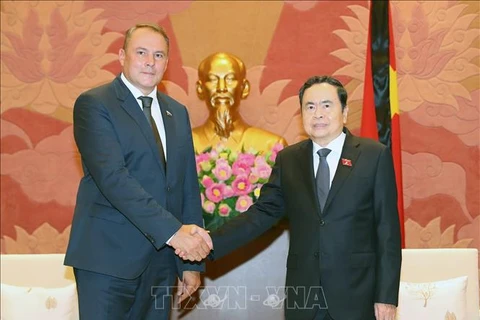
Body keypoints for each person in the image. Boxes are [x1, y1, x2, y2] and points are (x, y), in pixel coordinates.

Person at [187, 75, 402, 320]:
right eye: (310, 107)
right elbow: (262, 213)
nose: (317, 113)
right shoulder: (289, 160)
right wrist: (211, 242)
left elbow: (388, 232)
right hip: (304, 297)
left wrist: (386, 297)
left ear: (344, 112)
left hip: (356, 295)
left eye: (326, 105)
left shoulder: (373, 156)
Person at [64, 23, 212, 320]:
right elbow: (113, 179)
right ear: (122, 56)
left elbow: (185, 187)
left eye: (159, 55)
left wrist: (190, 265)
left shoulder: (177, 112)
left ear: (167, 63)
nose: (150, 61)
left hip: (161, 264)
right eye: (141, 52)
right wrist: (175, 233)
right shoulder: (95, 104)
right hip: (107, 260)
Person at [192, 52, 287, 154]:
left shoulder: (271, 145)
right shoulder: (184, 145)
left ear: (244, 88)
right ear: (200, 89)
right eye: (212, 79)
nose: (222, 88)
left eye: (230, 79)